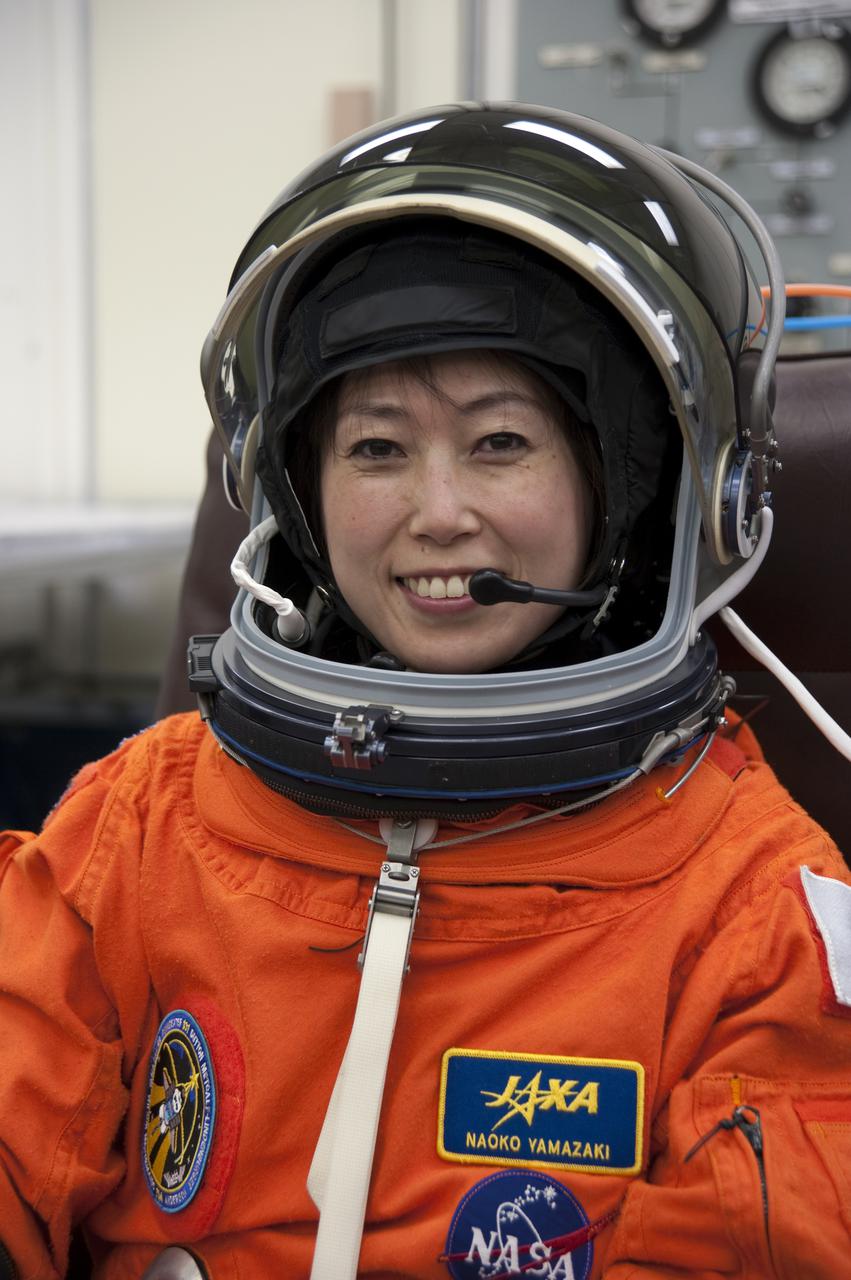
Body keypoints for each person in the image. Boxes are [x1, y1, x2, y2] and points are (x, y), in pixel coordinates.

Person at [2, 103, 850, 1280]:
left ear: (633, 488)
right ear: (297, 493)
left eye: (499, 441)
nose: (435, 510)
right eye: (375, 447)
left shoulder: (750, 908)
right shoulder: (141, 828)